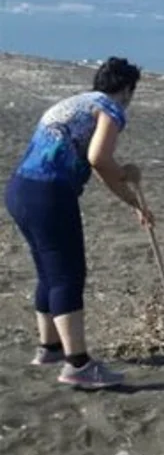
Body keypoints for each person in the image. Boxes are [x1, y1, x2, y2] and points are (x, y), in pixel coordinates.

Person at [4, 57, 154, 389]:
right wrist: (126, 173)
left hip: (19, 190)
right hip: (49, 193)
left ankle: (51, 348)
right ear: (127, 90)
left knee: (49, 271)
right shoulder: (111, 110)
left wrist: (132, 200)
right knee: (68, 275)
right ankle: (79, 365)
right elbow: (99, 158)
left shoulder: (75, 103)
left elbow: (99, 166)